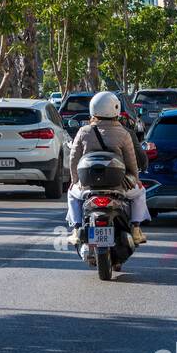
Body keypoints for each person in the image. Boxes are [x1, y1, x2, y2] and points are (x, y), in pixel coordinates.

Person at [66, 91, 149, 251]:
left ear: (93, 109)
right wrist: (135, 179)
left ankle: (76, 229)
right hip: (119, 185)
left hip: (87, 185)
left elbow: (73, 160)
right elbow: (131, 162)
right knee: (140, 193)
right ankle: (136, 229)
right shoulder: (124, 134)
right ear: (116, 109)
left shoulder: (83, 131)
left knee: (71, 195)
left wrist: (74, 180)